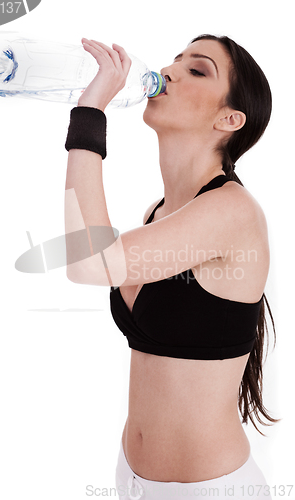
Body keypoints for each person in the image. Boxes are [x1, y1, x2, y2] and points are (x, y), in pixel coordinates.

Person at [64, 34, 279, 499]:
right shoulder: (159, 213)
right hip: (133, 479)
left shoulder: (233, 213)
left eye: (197, 69)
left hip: (209, 489)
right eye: (176, 59)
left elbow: (88, 263)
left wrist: (88, 115)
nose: (170, 70)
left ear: (230, 119)